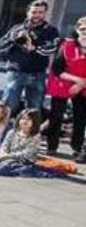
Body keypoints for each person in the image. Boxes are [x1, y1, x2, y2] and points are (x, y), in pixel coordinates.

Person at [0, 0, 61, 115]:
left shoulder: (51, 30)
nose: (37, 15)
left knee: (34, 109)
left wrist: (34, 47)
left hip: (38, 74)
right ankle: (5, 131)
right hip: (15, 72)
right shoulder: (16, 28)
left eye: (40, 12)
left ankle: (30, 133)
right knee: (8, 106)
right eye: (34, 12)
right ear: (28, 12)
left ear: (45, 13)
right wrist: (13, 39)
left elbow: (52, 49)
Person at [44, 16, 86, 162]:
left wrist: (81, 84)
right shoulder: (67, 45)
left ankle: (77, 148)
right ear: (77, 30)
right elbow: (57, 68)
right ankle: (52, 146)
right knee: (57, 115)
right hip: (63, 81)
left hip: (83, 86)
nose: (85, 32)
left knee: (80, 118)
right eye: (83, 29)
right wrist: (77, 80)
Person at [0, 108, 43, 176]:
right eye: (23, 118)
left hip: (23, 161)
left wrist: (8, 156)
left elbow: (26, 153)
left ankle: (6, 167)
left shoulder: (36, 136)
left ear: (35, 122)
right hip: (6, 158)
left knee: (20, 168)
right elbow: (4, 146)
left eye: (29, 119)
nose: (25, 121)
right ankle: (4, 165)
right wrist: (3, 154)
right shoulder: (12, 132)